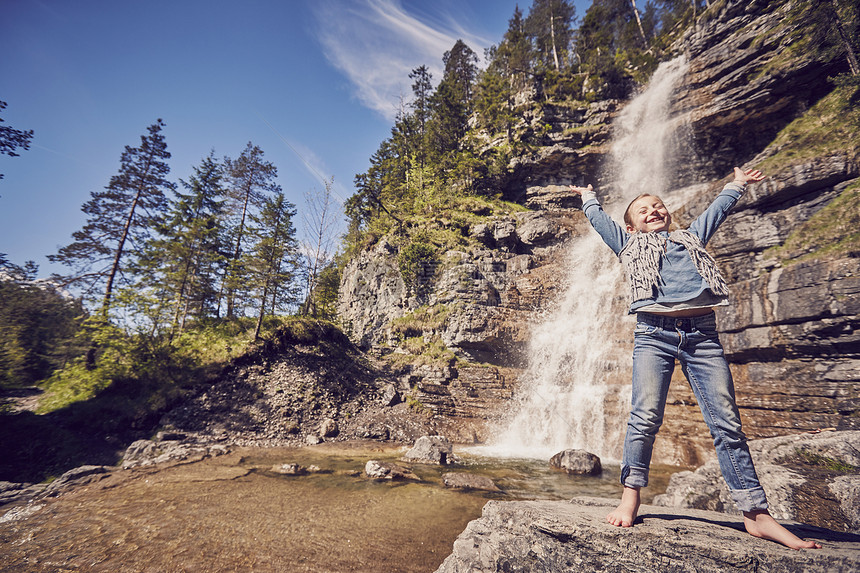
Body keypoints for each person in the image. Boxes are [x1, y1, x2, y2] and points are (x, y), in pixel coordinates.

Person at [569, 168, 821, 550]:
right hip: (654, 334)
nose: (653, 210)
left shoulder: (690, 239)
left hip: (702, 335)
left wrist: (736, 185)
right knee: (645, 417)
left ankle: (756, 514)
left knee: (727, 422)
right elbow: (601, 221)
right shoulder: (626, 244)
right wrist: (589, 199)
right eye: (643, 210)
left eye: (658, 205)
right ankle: (630, 495)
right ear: (632, 227)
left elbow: (715, 211)